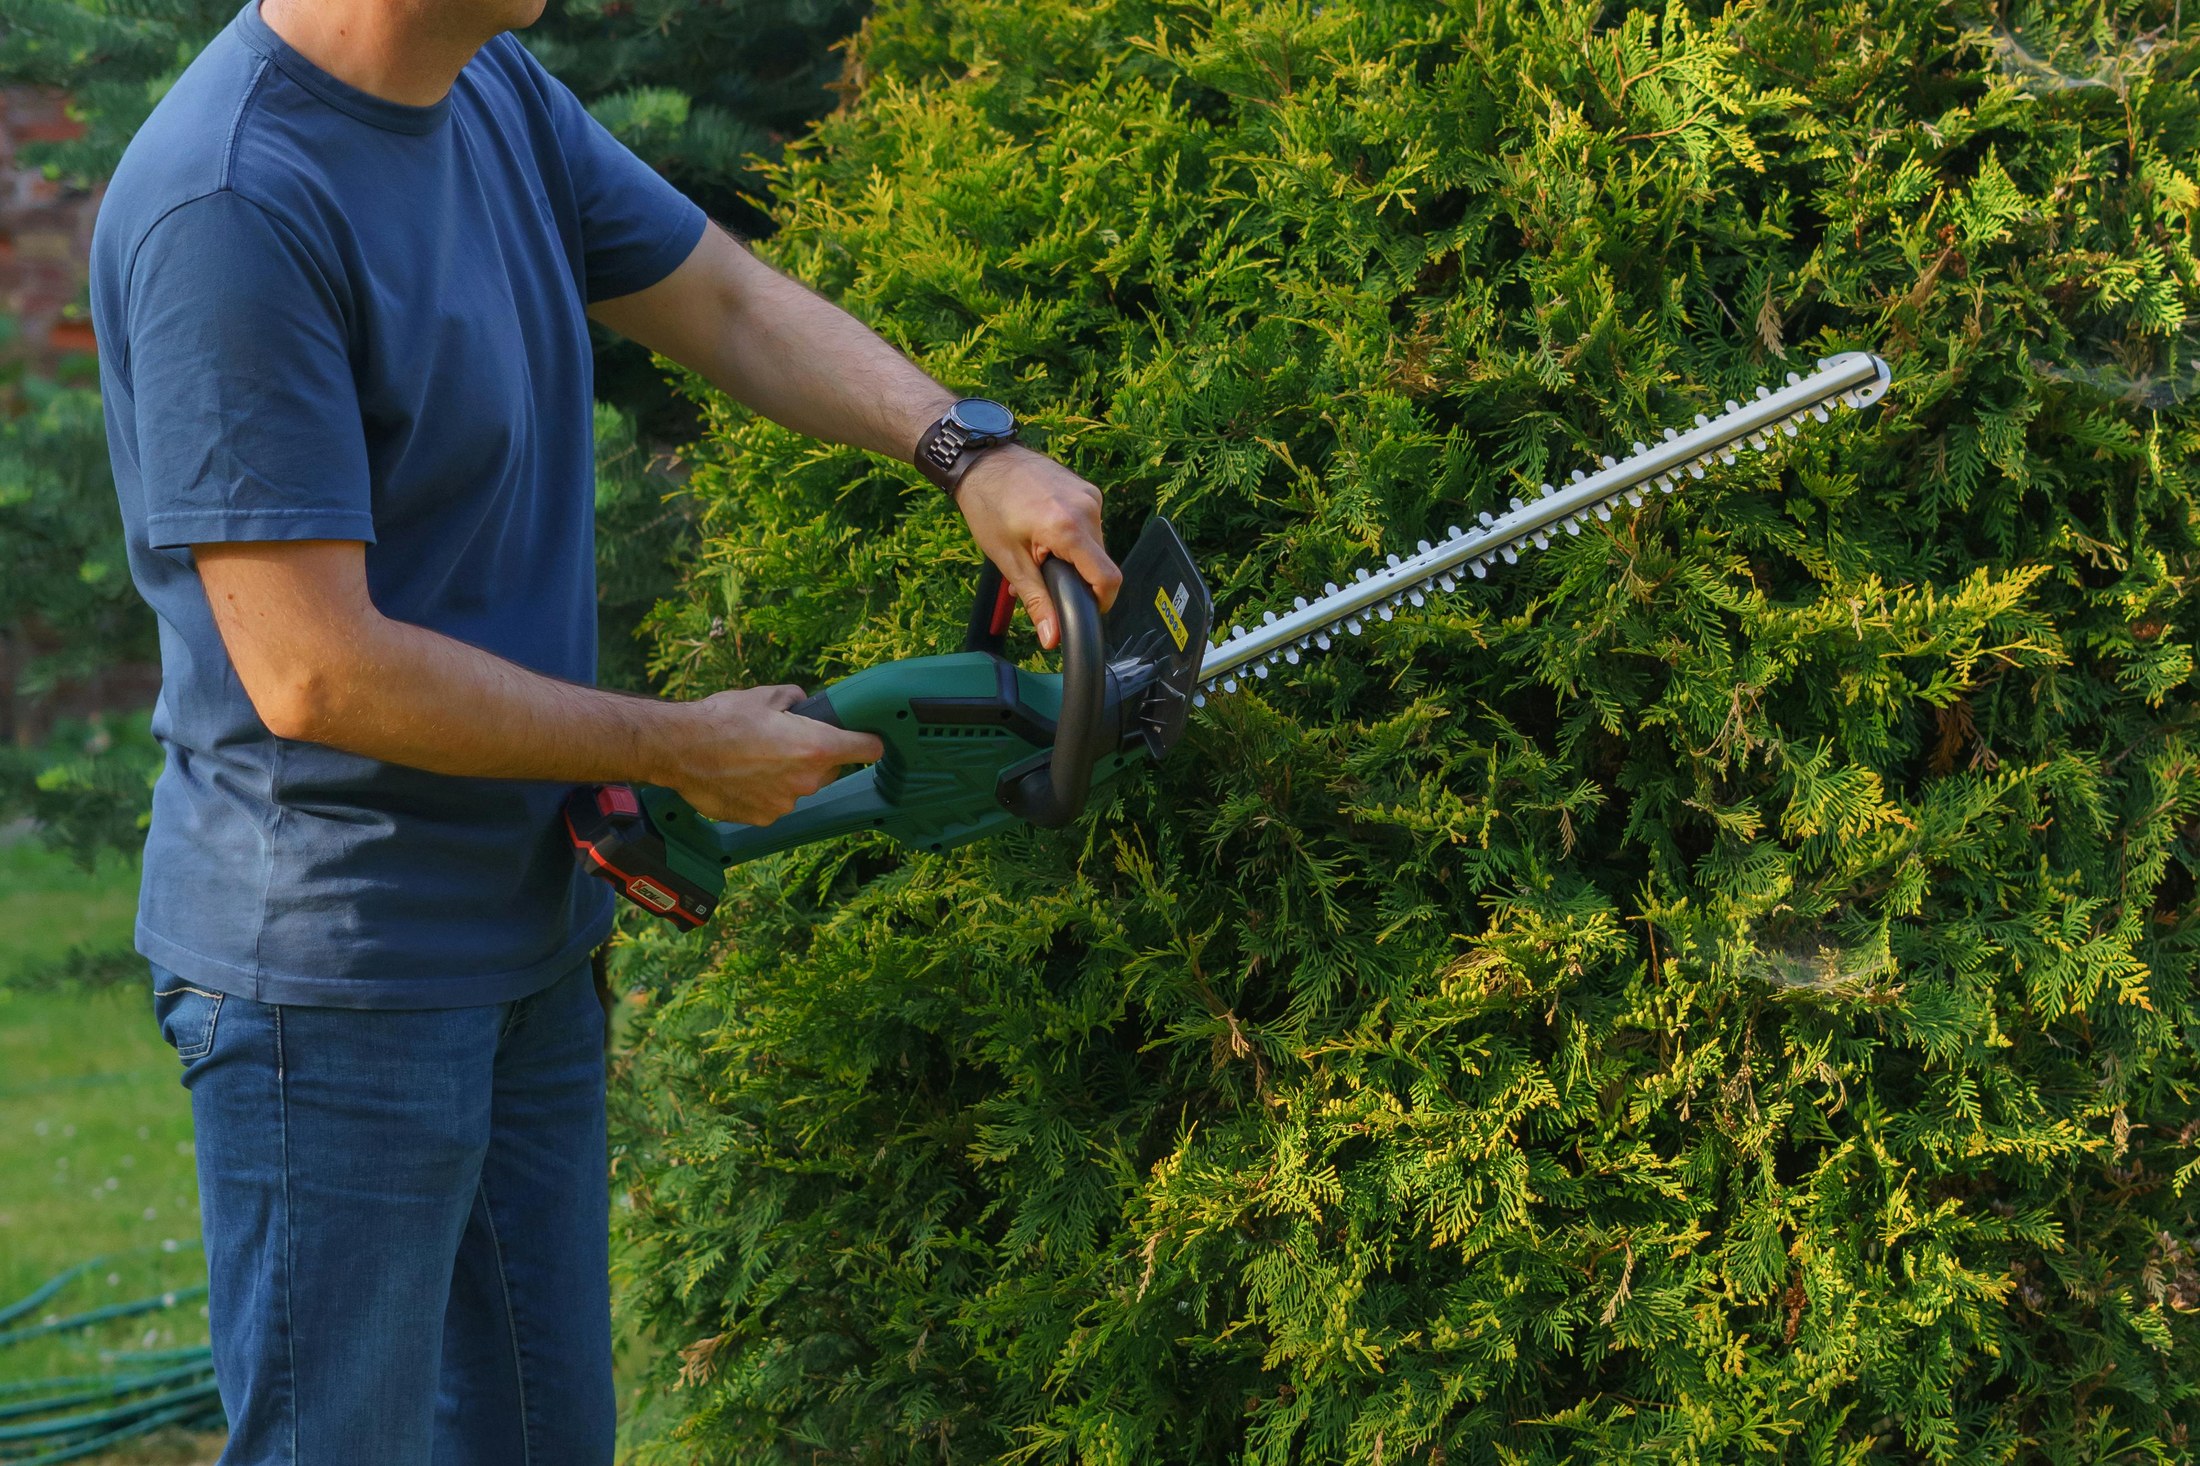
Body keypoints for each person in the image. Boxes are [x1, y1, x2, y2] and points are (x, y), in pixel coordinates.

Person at [88, 0, 1122, 1457]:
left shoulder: (491, 91)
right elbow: (318, 673)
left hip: (526, 933)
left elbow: (727, 304)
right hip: (336, 979)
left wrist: (963, 450)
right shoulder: (231, 204)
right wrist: (675, 746)